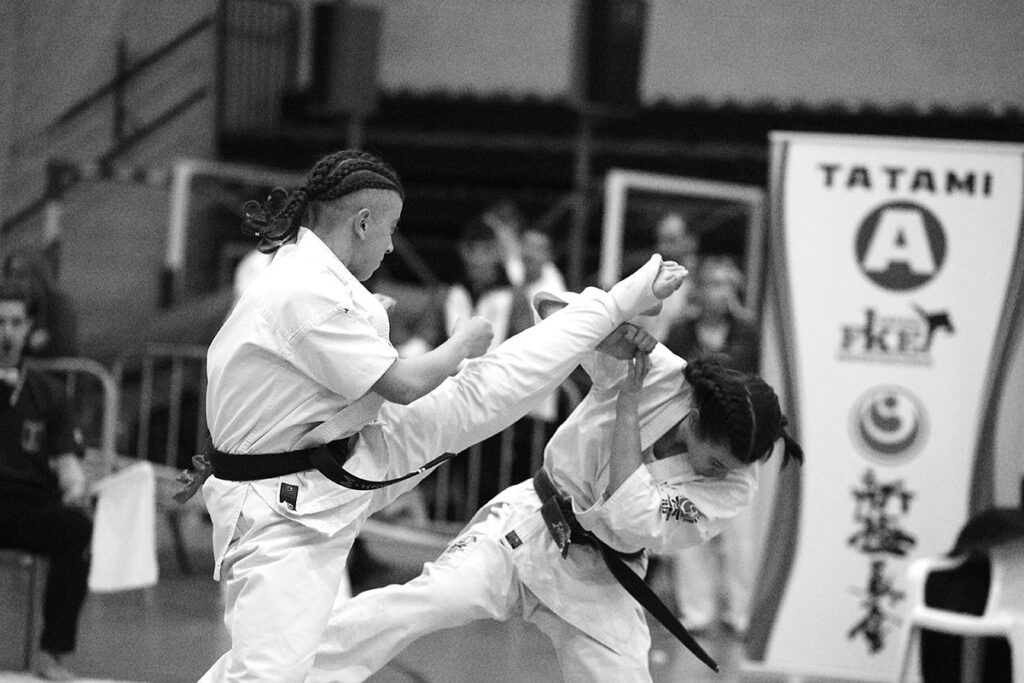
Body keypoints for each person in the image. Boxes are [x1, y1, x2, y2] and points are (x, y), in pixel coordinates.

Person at [195, 147, 689, 682]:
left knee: (483, 393)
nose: (390, 245)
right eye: (390, 230)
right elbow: (405, 384)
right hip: (283, 505)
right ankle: (611, 305)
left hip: (339, 457)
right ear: (362, 223)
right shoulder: (305, 291)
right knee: (268, 675)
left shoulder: (313, 274)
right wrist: (461, 344)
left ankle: (612, 303)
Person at [310, 293, 803, 683]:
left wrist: (627, 406)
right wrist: (609, 329)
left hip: (605, 576)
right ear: (694, 418)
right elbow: (554, 311)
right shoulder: (658, 371)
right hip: (529, 526)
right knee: (428, 602)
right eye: (714, 461)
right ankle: (291, 668)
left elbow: (632, 517)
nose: (720, 474)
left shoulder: (735, 484)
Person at [663, 254, 760, 634]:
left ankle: (741, 613)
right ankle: (696, 611)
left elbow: (749, 381)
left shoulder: (747, 331)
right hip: (689, 439)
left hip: (738, 443)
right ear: (699, 289)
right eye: (713, 283)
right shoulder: (680, 331)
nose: (720, 292)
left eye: (727, 284)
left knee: (739, 535)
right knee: (689, 525)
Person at [0, 282, 91, 681]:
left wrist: (76, 486)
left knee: (76, 530)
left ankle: (51, 654)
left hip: (29, 504)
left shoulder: (48, 393)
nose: (6, 333)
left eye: (15, 323)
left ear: (28, 329)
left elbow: (68, 463)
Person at [1, 248, 79, 358]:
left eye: (21, 275)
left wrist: (29, 345)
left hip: (49, 366)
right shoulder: (8, 301)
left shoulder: (58, 304)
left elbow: (65, 347)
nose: (14, 281)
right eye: (10, 274)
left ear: (37, 275)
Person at [640, 211, 701, 343]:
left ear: (691, 241)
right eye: (660, 240)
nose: (663, 248)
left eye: (671, 240)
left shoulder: (705, 282)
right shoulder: (647, 282)